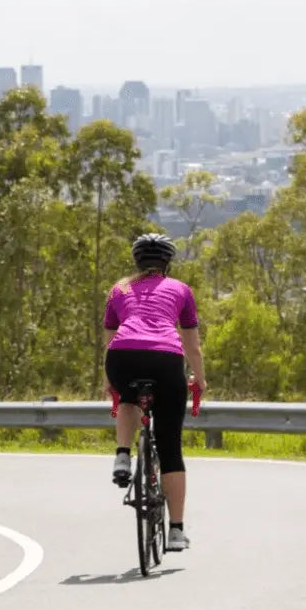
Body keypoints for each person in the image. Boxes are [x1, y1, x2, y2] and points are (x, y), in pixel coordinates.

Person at [102, 233, 207, 551]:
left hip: (121, 357)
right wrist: (199, 380)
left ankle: (122, 455)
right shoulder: (181, 290)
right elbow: (191, 345)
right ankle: (176, 532)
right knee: (171, 448)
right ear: (167, 263)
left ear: (137, 262)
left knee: (128, 398)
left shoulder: (118, 289)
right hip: (165, 359)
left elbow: (110, 339)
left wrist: (111, 380)